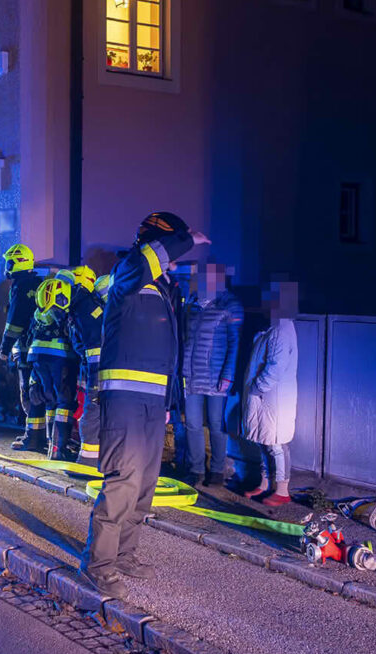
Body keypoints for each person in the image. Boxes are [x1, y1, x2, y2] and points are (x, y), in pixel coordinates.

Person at [80, 212, 209, 598]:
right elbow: (149, 258)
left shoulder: (163, 286)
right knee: (123, 480)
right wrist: (188, 238)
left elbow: (170, 351)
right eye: (168, 249)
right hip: (124, 401)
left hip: (153, 403)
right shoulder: (129, 271)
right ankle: (98, 564)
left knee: (145, 485)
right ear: (154, 242)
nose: (175, 259)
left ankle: (124, 555)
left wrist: (169, 402)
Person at [177, 263, 244, 486]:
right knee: (193, 424)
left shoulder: (229, 305)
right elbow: (187, 340)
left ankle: (216, 470)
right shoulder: (193, 305)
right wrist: (184, 372)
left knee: (216, 425)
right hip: (193, 376)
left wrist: (227, 376)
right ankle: (196, 470)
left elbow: (235, 344)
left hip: (216, 377)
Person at [241, 281, 299, 505]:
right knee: (263, 440)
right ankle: (264, 485)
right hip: (267, 398)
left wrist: (257, 387)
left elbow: (274, 366)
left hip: (272, 398)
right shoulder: (275, 327)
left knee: (276, 443)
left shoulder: (281, 330)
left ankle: (282, 490)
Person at [0, 244, 45, 451]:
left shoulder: (20, 287)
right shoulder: (39, 283)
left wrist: (4, 347)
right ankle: (41, 436)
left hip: (26, 348)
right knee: (40, 391)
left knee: (28, 393)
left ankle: (32, 438)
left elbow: (15, 322)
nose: (7, 266)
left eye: (9, 262)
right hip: (43, 349)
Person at [28, 275, 78, 460]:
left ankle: (52, 446)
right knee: (64, 402)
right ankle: (59, 450)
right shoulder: (62, 310)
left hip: (37, 356)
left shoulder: (40, 311)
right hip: (60, 357)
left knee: (50, 400)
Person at [64, 266, 103, 467]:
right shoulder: (81, 306)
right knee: (85, 410)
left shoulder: (85, 307)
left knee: (90, 414)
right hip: (89, 369)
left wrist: (94, 382)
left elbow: (94, 346)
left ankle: (88, 462)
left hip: (95, 372)